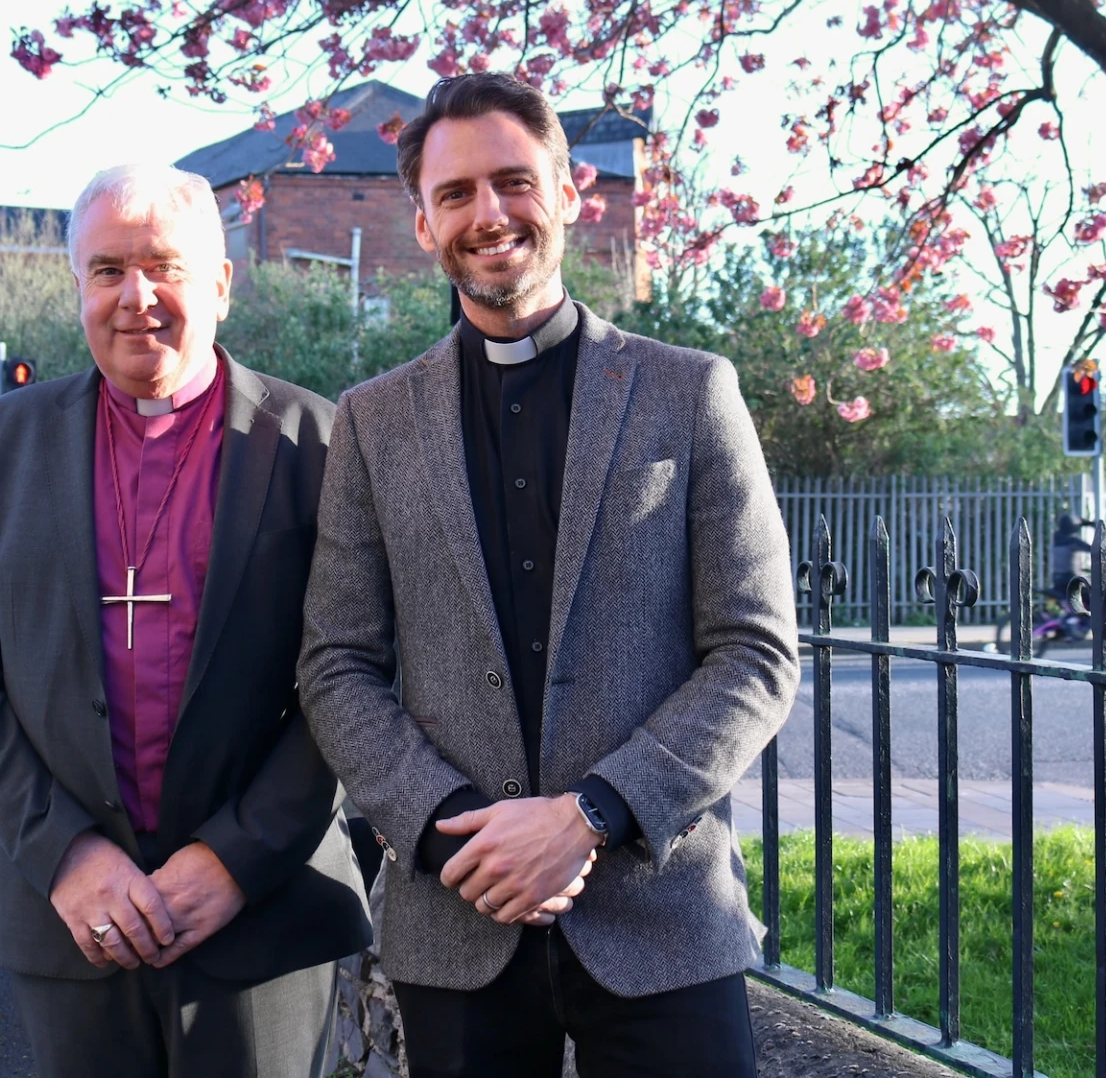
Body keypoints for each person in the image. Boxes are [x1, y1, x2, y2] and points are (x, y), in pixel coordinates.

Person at [297, 72, 799, 1077]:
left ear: (569, 193)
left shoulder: (690, 392)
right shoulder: (372, 422)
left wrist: (591, 814)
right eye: (455, 194)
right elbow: (335, 663)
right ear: (424, 224)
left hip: (662, 915)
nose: (488, 213)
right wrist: (454, 836)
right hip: (458, 915)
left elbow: (754, 652)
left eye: (513, 181)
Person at [0, 165, 371, 1078]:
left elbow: (354, 673)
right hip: (71, 915)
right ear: (78, 287)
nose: (136, 298)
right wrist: (64, 854)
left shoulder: (319, 445)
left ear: (221, 283)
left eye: (164, 266)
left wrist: (236, 858)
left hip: (267, 913)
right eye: (107, 270)